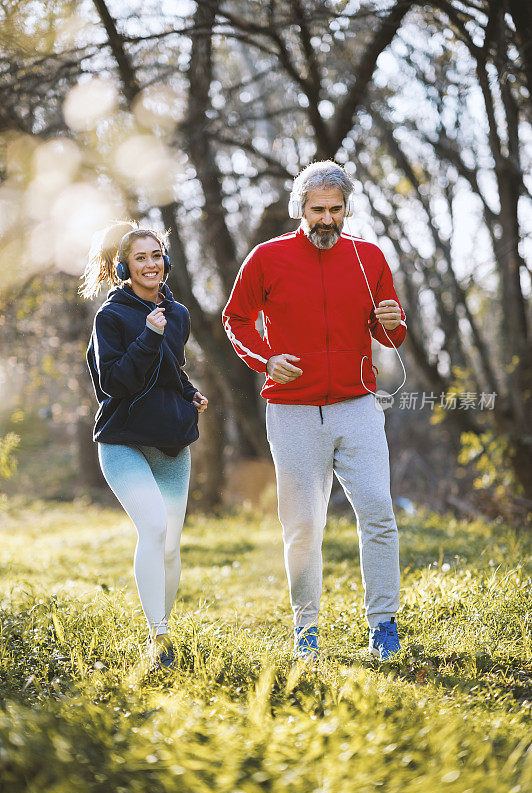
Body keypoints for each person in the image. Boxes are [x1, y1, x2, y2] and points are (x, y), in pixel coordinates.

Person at [222, 161, 407, 661]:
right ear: (300, 209)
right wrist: (266, 359)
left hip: (358, 406)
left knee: (379, 515)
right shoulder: (268, 257)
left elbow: (389, 333)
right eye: (316, 210)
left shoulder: (369, 258)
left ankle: (383, 625)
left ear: (347, 210)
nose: (326, 219)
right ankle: (306, 630)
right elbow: (235, 319)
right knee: (303, 525)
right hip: (294, 410)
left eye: (335, 210)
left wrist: (395, 322)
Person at [80, 221, 208, 672]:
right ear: (123, 268)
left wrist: (189, 392)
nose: (152, 264)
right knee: (153, 528)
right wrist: (148, 336)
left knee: (171, 545)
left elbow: (170, 369)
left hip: (171, 442)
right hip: (123, 443)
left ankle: (165, 628)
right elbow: (113, 384)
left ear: (167, 261)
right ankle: (158, 635)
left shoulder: (180, 314)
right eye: (141, 258)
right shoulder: (111, 318)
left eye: (157, 255)